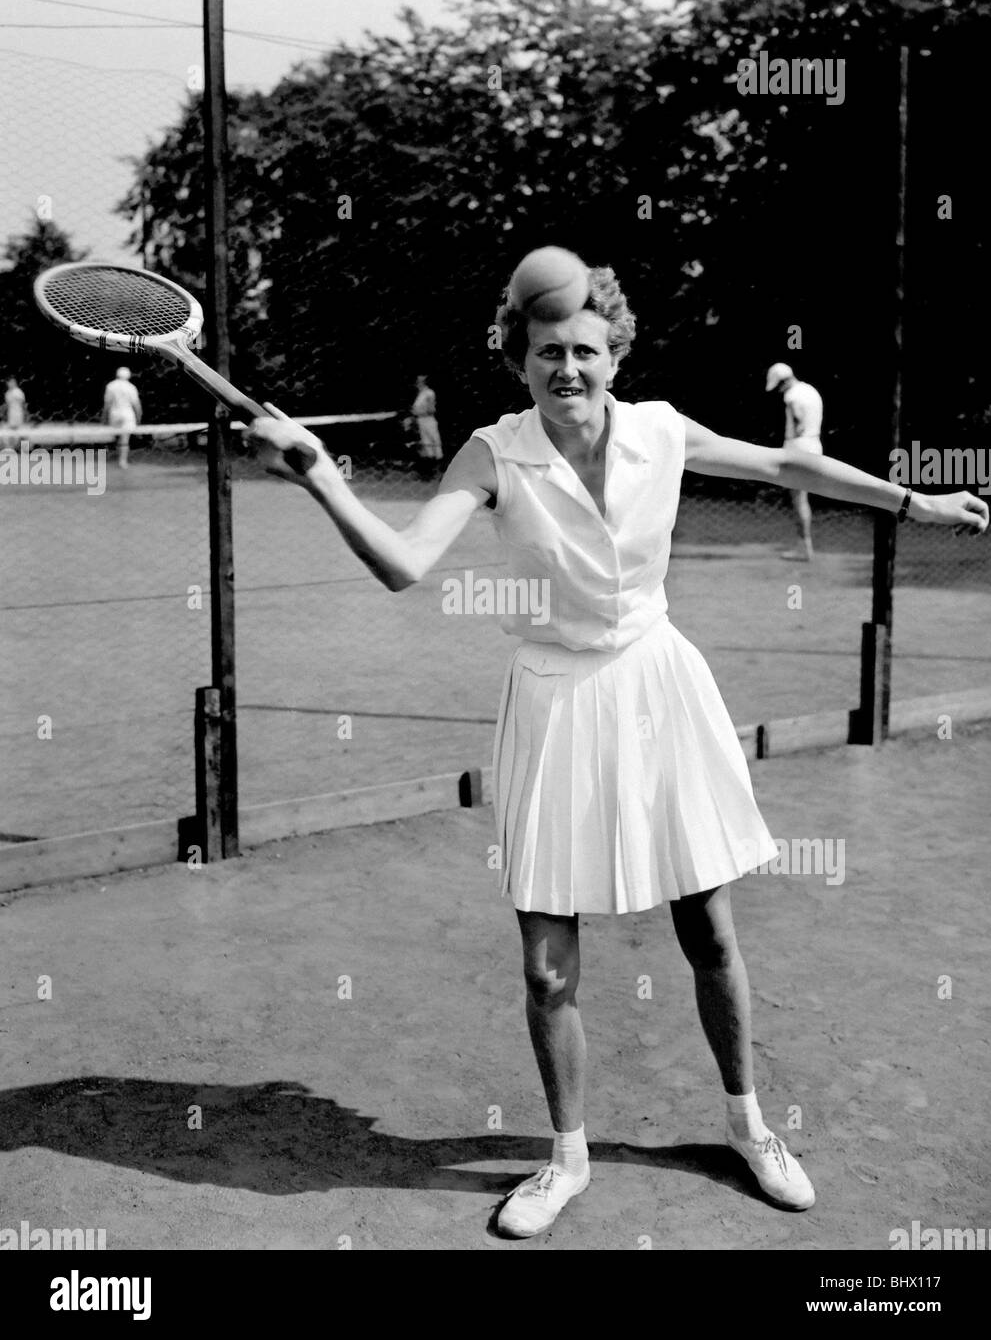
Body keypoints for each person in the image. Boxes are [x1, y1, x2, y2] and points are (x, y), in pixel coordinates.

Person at [246, 264, 987, 1240]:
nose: (567, 367)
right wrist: (318, 475)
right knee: (548, 968)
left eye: (585, 349)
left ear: (614, 353)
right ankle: (567, 1156)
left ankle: (749, 1124)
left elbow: (787, 469)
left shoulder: (660, 430)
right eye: (546, 350)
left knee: (708, 931)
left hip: (655, 684)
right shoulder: (490, 453)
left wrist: (912, 504)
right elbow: (403, 564)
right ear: (517, 356)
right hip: (554, 703)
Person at [766, 362, 824, 561]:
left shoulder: (791, 396)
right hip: (815, 444)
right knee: (803, 499)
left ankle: (804, 547)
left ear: (782, 381)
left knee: (798, 500)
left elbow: (797, 425)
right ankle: (805, 546)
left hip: (798, 447)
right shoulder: (811, 390)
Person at [103, 367, 142, 469]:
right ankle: (122, 461)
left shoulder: (110, 386)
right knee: (125, 439)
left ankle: (116, 456)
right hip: (127, 414)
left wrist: (104, 417)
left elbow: (107, 404)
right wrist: (139, 417)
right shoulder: (131, 387)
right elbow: (136, 405)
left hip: (114, 413)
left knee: (117, 437)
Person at [411, 374, 444, 472]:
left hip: (428, 420)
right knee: (426, 442)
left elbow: (431, 409)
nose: (417, 383)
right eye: (417, 381)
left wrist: (418, 413)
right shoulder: (420, 394)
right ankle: (431, 467)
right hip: (421, 421)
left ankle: (440, 465)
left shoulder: (429, 393)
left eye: (420, 381)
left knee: (434, 441)